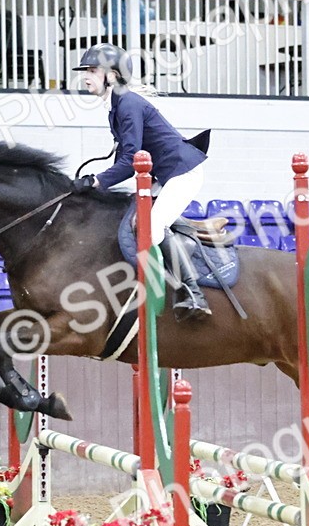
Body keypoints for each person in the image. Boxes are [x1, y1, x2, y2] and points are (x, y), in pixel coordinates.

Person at [70, 42, 210, 321]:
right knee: (135, 219)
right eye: (85, 70)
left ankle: (194, 293)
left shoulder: (128, 103)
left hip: (182, 172)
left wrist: (97, 182)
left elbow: (130, 160)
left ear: (111, 75)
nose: (85, 76)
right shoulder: (117, 105)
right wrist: (96, 182)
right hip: (163, 175)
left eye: (93, 70)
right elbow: (125, 159)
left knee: (152, 229)